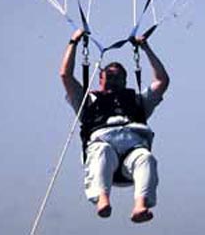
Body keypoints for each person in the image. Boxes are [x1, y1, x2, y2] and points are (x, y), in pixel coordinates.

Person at [60, 29, 169, 223]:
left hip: (133, 148)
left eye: (118, 76)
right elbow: (65, 75)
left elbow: (162, 81)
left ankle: (140, 206)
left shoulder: (137, 101)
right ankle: (103, 199)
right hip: (102, 145)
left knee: (146, 158)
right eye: (109, 75)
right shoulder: (87, 99)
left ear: (125, 80)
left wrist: (145, 47)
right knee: (103, 151)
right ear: (100, 78)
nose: (114, 79)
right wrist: (73, 42)